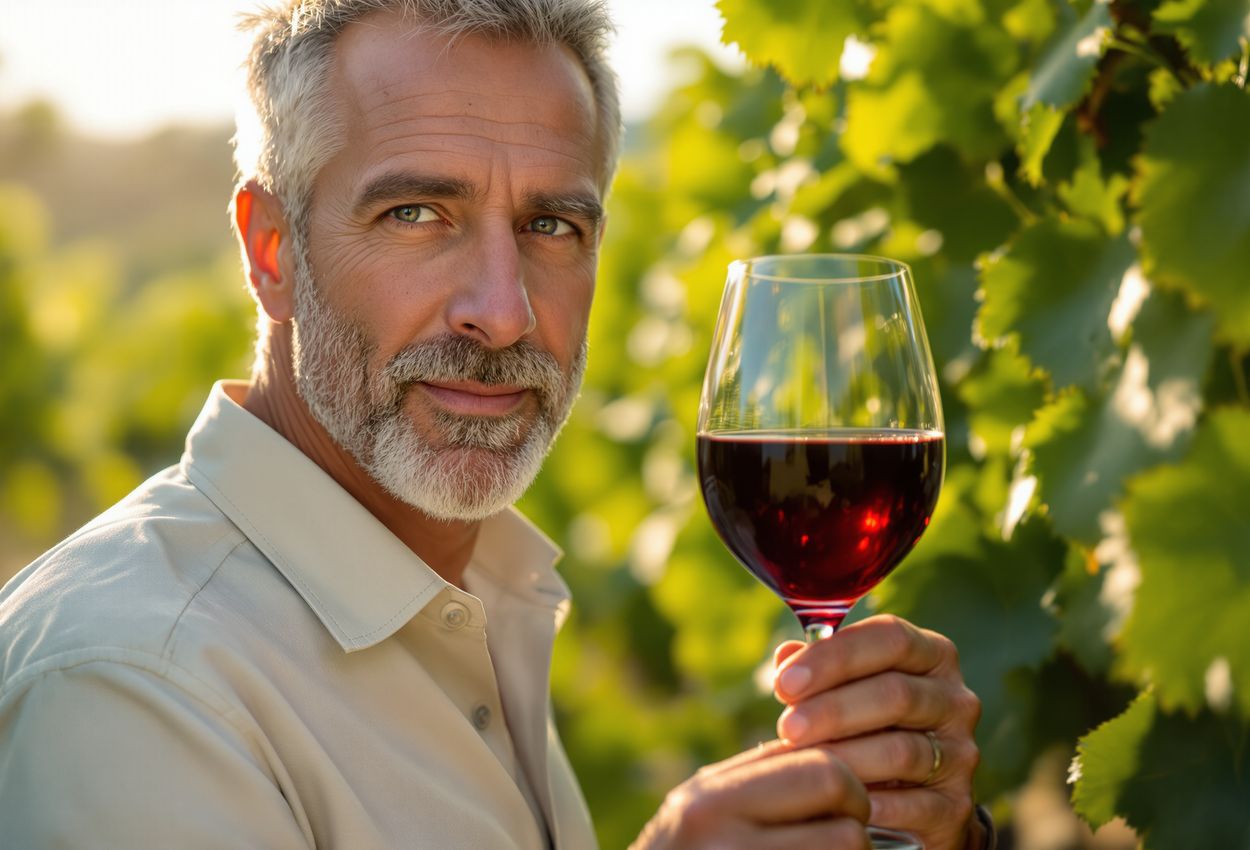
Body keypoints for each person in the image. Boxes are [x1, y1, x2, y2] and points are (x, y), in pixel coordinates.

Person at [0, 1, 990, 847]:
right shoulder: (130, 682)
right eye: (417, 215)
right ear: (270, 249)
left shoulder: (480, 597)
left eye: (551, 227)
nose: (503, 311)